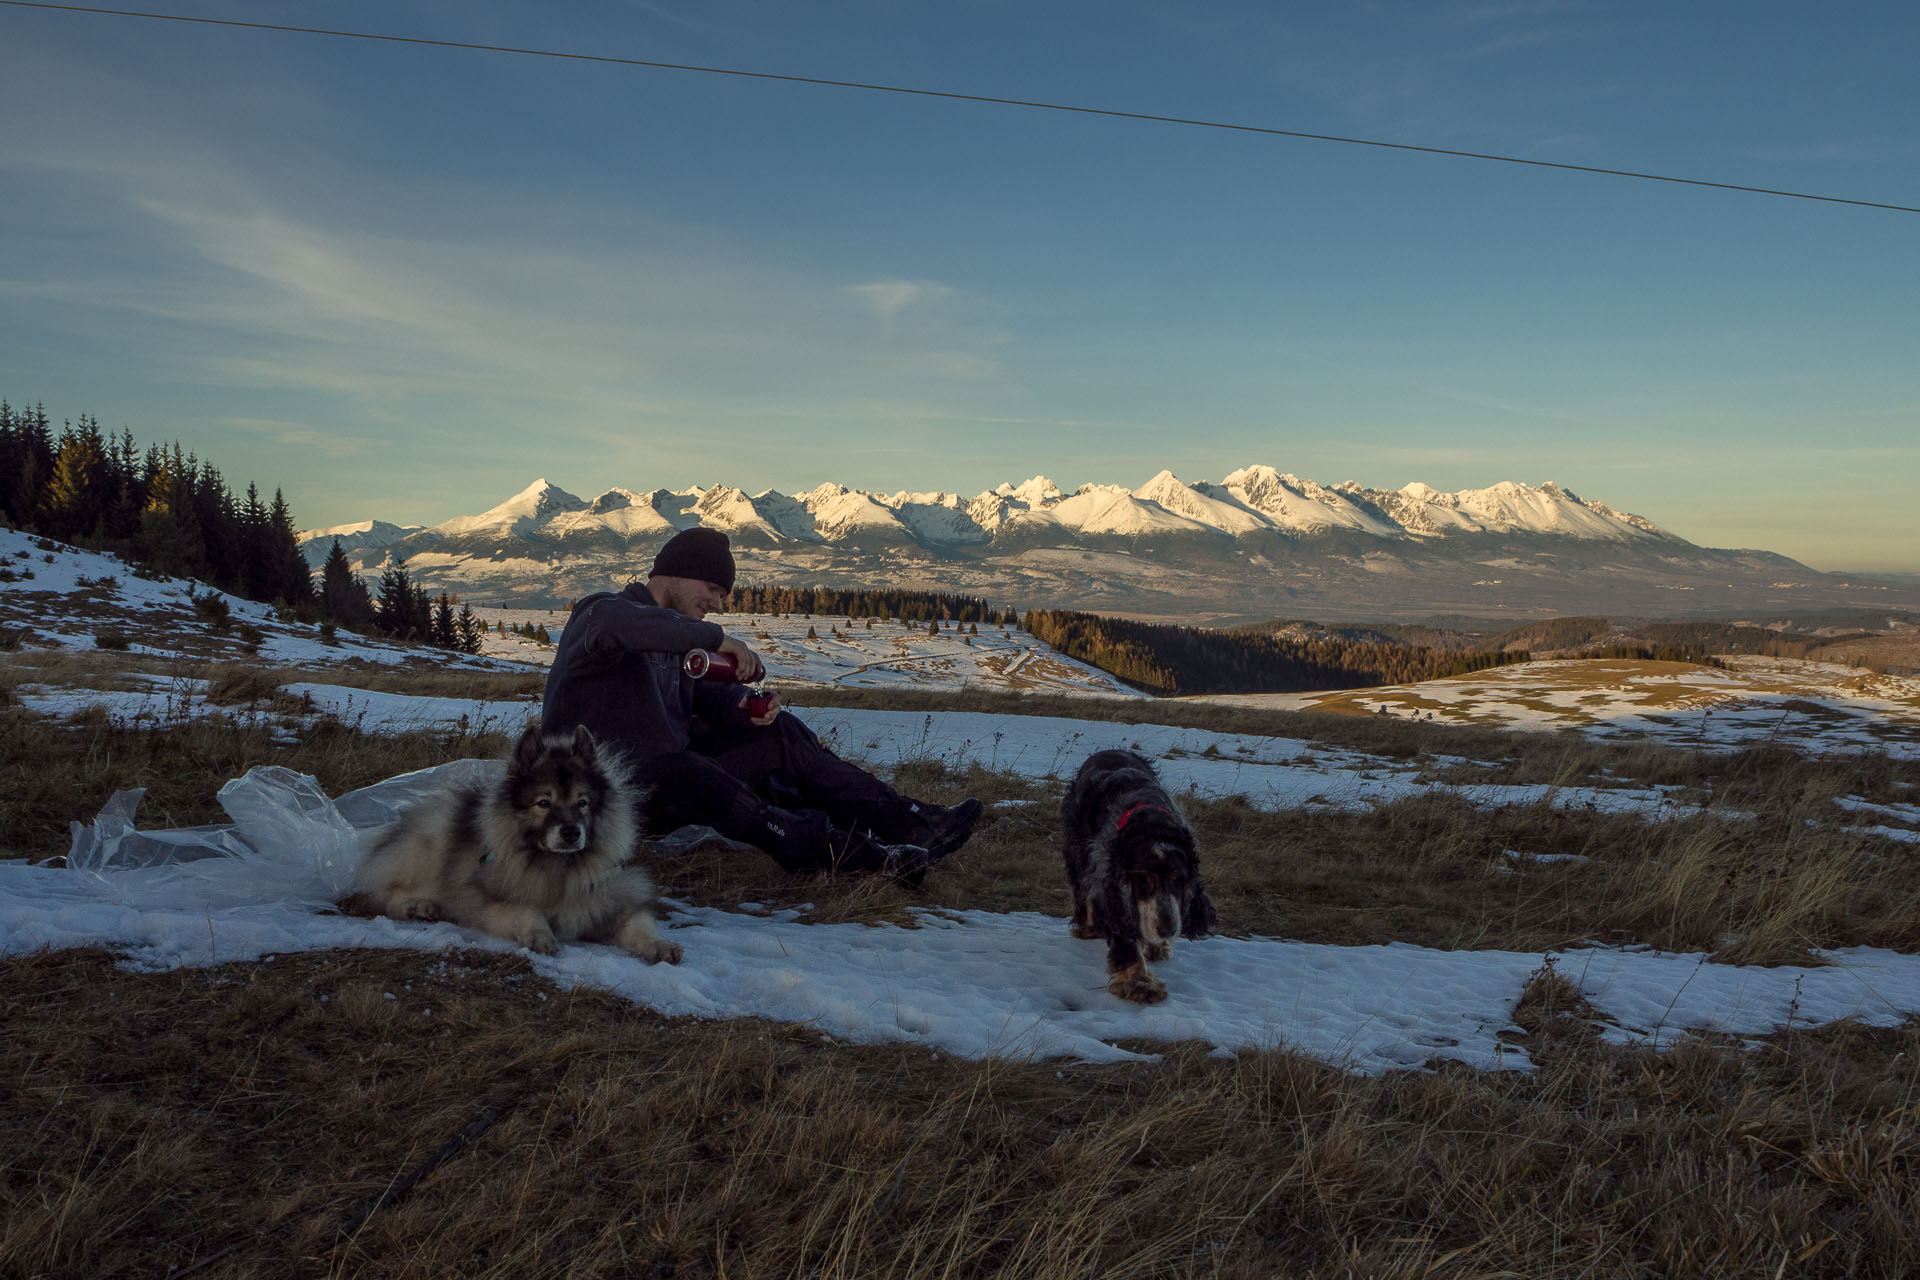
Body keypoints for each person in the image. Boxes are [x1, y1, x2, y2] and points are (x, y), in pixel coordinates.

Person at [540, 527, 982, 885]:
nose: (715, 604)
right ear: (672, 574)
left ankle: (910, 823)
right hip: (601, 794)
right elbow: (633, 626)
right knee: (687, 771)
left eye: (721, 597)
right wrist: (715, 638)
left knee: (781, 733)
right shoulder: (602, 615)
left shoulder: (676, 637)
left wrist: (743, 709)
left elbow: (705, 696)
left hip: (670, 783)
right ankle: (860, 859)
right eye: (711, 589)